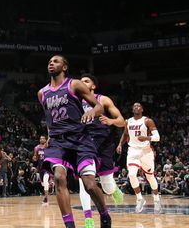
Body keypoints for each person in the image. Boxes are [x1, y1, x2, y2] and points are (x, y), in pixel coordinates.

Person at [38, 55, 110, 228]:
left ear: (64, 67)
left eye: (56, 61)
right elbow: (49, 119)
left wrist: (93, 112)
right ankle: (70, 225)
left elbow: (98, 106)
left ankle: (105, 215)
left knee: (90, 185)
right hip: (57, 142)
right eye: (49, 62)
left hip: (80, 140)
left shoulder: (74, 84)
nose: (51, 63)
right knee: (59, 177)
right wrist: (49, 137)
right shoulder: (42, 93)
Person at [75, 74, 126, 227]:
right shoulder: (74, 101)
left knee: (107, 186)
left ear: (93, 86)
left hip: (104, 143)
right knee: (84, 180)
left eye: (86, 81)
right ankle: (88, 218)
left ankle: (114, 189)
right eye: (81, 81)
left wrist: (110, 121)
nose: (82, 83)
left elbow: (121, 121)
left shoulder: (103, 99)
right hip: (84, 142)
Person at [114, 102, 162, 213]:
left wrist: (146, 137)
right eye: (134, 106)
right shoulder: (128, 121)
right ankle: (140, 199)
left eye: (138, 106)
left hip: (146, 152)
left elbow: (157, 137)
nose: (136, 107)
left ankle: (156, 199)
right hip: (133, 150)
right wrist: (120, 144)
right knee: (131, 174)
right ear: (132, 109)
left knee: (150, 177)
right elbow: (126, 134)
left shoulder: (147, 121)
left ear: (142, 109)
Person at [33, 135, 50, 204]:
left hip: (47, 167)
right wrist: (34, 158)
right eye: (40, 138)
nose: (41, 139)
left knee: (45, 181)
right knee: (43, 183)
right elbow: (35, 157)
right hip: (40, 168)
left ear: (46, 140)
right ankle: (47, 192)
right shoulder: (36, 148)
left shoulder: (48, 146)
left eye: (43, 138)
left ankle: (46, 198)